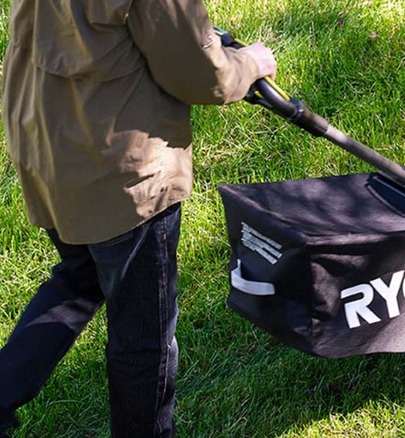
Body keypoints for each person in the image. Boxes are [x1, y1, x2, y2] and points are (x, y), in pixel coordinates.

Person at [0, 0, 277, 436]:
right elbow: (202, 74)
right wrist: (248, 63)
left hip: (46, 137)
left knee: (80, 277)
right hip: (119, 171)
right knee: (143, 339)